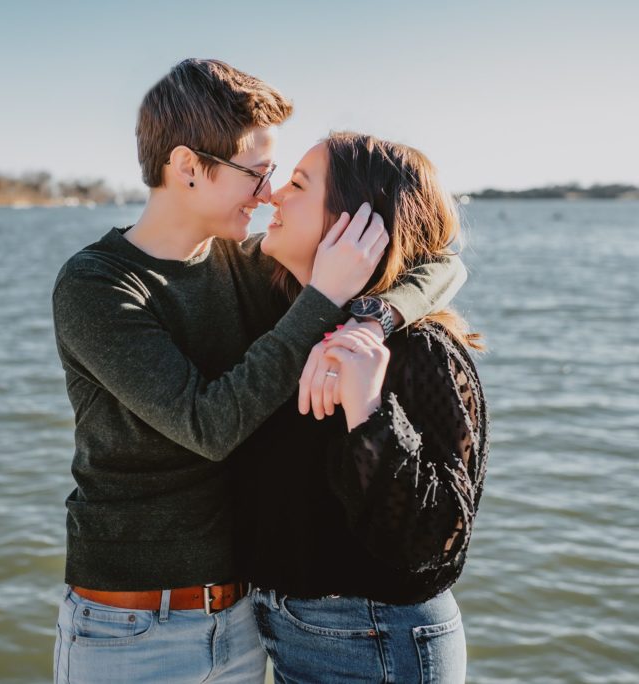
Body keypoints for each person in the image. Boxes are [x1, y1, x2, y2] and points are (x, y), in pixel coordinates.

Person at [51, 59, 466, 683]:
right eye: (257, 172)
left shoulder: (245, 263)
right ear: (188, 167)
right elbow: (208, 425)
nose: (269, 192)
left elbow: (442, 263)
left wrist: (373, 318)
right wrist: (324, 299)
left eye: (277, 175)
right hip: (132, 630)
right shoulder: (99, 285)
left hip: (247, 622)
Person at [236, 132, 489, 683]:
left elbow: (434, 541)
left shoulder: (419, 351)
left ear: (356, 221)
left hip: (378, 641)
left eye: (299, 184)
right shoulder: (283, 316)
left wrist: (369, 410)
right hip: (284, 630)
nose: (274, 195)